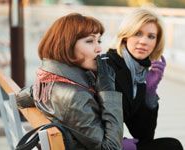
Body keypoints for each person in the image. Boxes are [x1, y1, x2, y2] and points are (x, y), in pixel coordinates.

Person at [17, 13, 123, 150]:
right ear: (67, 45)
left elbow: (20, 99)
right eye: (90, 41)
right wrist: (108, 91)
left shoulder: (49, 78)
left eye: (99, 41)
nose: (99, 49)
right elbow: (112, 148)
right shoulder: (74, 96)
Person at [106, 8, 183, 150]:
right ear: (125, 36)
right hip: (99, 145)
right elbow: (87, 120)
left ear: (156, 42)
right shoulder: (108, 66)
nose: (143, 41)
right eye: (137, 34)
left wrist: (150, 92)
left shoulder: (139, 73)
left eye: (151, 36)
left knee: (171, 145)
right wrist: (119, 144)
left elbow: (144, 135)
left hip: (114, 144)